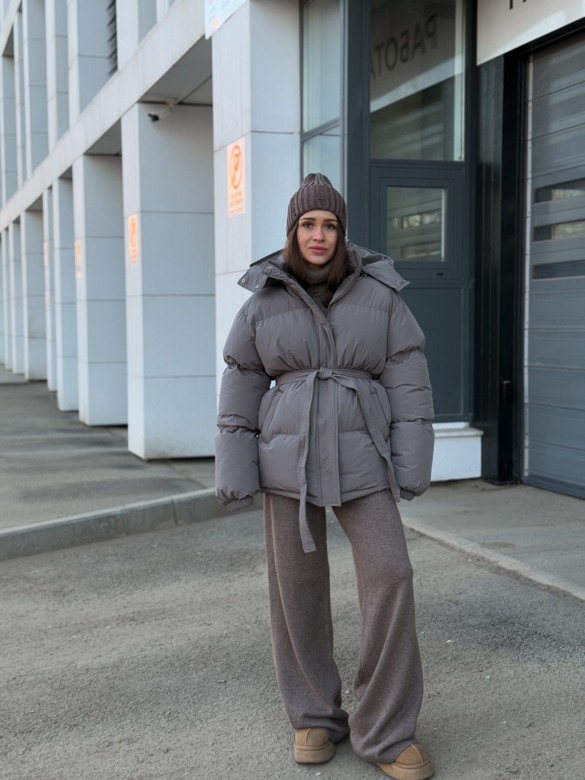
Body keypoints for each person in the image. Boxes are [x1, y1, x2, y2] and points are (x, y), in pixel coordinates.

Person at [215, 173, 435, 780]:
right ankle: (314, 714)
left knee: (392, 574)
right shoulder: (262, 302)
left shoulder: (381, 296)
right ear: (292, 231)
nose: (319, 235)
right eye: (308, 224)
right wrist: (235, 467)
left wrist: (412, 461)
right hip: (286, 463)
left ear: (342, 233)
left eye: (330, 225)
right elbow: (241, 385)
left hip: (364, 455)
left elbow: (409, 384)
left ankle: (385, 728)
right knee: (296, 587)